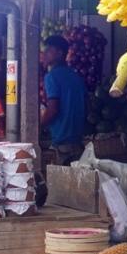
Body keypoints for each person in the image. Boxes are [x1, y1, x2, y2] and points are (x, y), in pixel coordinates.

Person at [40, 35, 86, 165]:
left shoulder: (51, 77)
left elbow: (53, 109)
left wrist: (39, 126)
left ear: (60, 53)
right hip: (77, 142)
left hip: (61, 143)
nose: (45, 54)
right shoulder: (76, 76)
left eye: (49, 50)